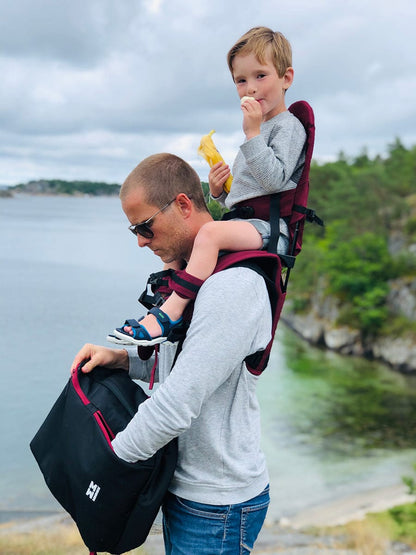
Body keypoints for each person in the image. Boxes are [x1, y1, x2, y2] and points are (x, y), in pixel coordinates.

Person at [72, 152, 273, 554]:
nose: (141, 241)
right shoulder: (194, 275)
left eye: (145, 226)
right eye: (134, 230)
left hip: (216, 503)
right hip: (189, 488)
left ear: (183, 204)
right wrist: (122, 360)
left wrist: (107, 465)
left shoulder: (231, 287)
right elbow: (187, 366)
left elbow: (178, 403)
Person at [112, 26, 306, 346]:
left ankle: (172, 311)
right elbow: (246, 197)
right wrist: (220, 192)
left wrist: (252, 135)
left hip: (273, 230)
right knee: (178, 250)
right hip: (250, 223)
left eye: (260, 76)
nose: (250, 88)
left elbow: (274, 182)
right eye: (241, 81)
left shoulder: (289, 127)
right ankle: (164, 299)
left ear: (286, 78)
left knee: (209, 233)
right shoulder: (260, 129)